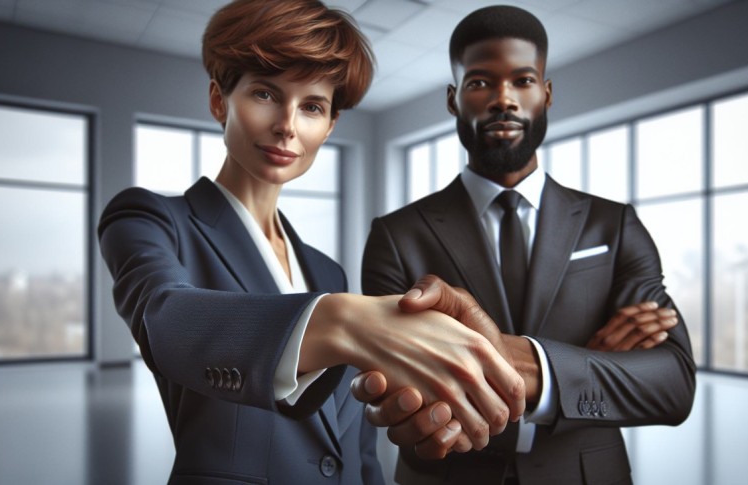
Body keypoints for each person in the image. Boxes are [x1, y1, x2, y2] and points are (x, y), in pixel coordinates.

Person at [97, 1, 525, 483]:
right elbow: (165, 321)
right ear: (219, 100)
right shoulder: (152, 218)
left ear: (330, 125)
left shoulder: (326, 271)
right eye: (265, 93)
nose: (287, 125)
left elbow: (355, 443)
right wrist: (345, 321)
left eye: (312, 107)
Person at [357, 5, 696, 484]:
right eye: (480, 82)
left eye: (523, 81)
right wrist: (587, 362)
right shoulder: (396, 235)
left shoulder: (613, 225)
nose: (504, 99)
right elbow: (404, 385)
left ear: (546, 93)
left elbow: (673, 384)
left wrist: (533, 368)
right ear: (454, 100)